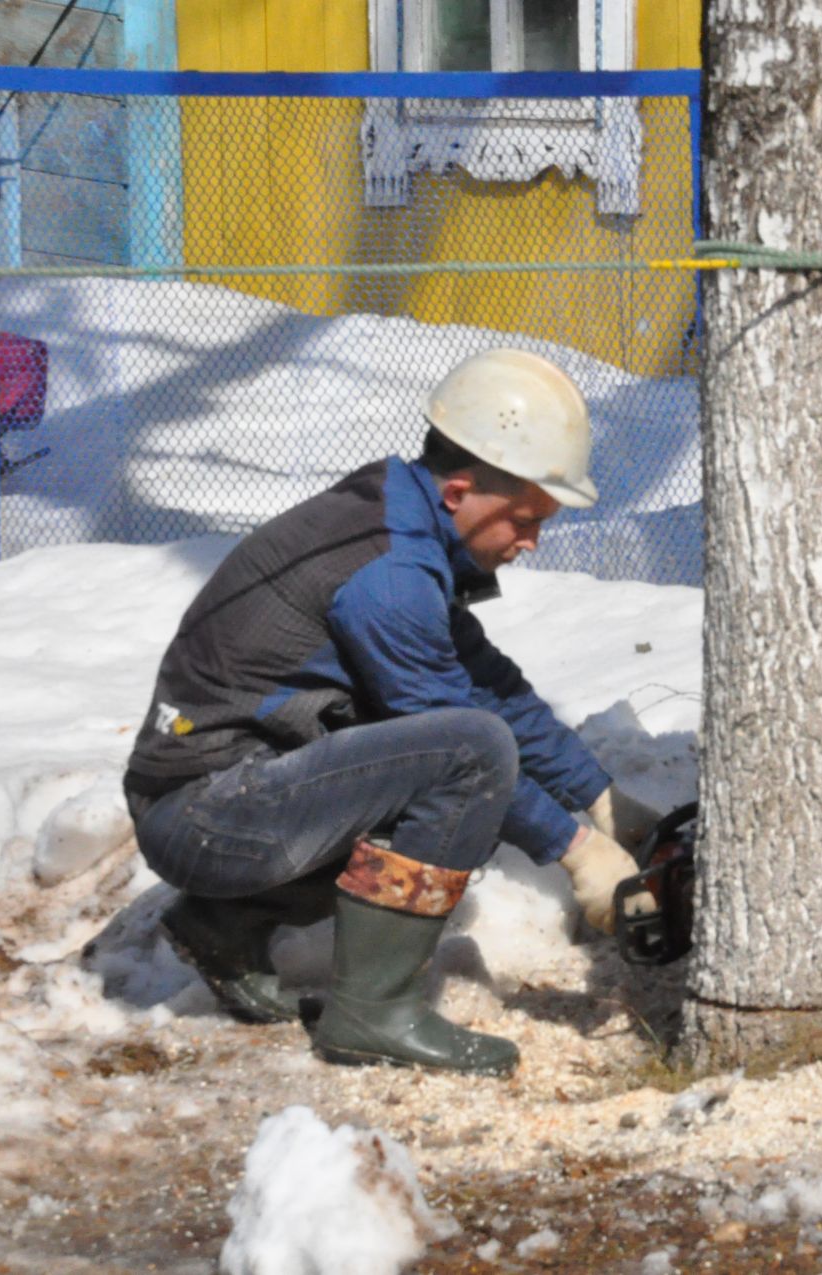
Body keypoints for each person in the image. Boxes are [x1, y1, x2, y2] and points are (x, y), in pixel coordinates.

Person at [121, 348, 661, 1077]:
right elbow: (462, 730)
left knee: (457, 743)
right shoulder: (391, 574)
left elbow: (489, 684)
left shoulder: (396, 517)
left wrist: (601, 798)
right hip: (208, 813)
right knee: (469, 759)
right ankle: (373, 1011)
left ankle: (225, 924)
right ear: (461, 491)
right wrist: (574, 850)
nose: (531, 541)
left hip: (220, 796)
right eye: (526, 518)